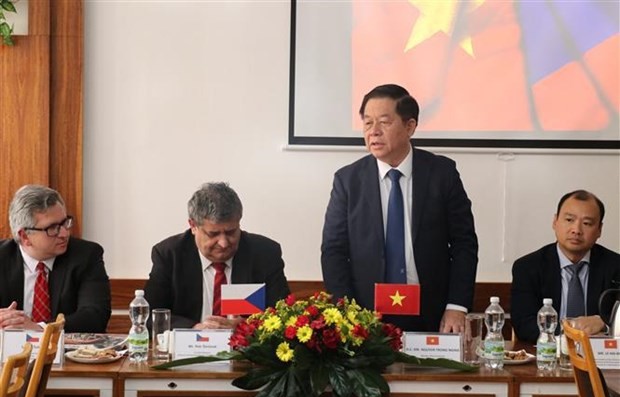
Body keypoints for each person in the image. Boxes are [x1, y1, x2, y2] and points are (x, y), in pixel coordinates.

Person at [321, 84, 478, 333]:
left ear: (410, 126)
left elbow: (464, 244)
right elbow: (333, 251)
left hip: (432, 310)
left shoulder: (442, 174)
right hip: (366, 313)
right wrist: (346, 312)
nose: (373, 132)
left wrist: (456, 306)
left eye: (384, 122)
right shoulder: (348, 181)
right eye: (367, 123)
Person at [144, 182, 290, 330]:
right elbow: (149, 316)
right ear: (193, 226)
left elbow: (285, 316)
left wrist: (245, 327)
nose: (224, 243)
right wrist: (193, 328)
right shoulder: (170, 255)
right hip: (189, 350)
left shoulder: (264, 253)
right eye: (213, 234)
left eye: (231, 232)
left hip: (246, 350)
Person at [511, 190, 620, 343]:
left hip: (600, 358)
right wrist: (570, 330)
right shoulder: (528, 267)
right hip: (547, 355)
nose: (576, 230)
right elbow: (523, 324)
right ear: (555, 222)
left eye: (587, 223)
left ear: (599, 230)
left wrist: (605, 323)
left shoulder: (615, 266)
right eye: (569, 220)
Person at [0, 185, 111, 333]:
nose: (64, 233)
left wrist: (40, 328)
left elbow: (95, 316)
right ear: (25, 236)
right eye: (52, 228)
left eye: (65, 222)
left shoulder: (86, 255)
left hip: (68, 353)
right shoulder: (2, 257)